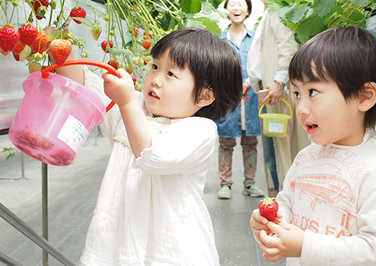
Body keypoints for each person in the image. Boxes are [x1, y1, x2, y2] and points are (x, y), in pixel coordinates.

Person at [54, 28, 243, 265]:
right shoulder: (133, 106)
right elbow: (83, 85)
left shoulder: (200, 131)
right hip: (118, 246)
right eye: (155, 66)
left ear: (204, 97)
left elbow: (151, 154)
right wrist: (57, 45)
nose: (155, 78)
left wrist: (125, 102)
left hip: (172, 253)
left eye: (171, 73)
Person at [250, 26, 376, 265]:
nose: (301, 107)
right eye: (297, 93)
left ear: (364, 96)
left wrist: (305, 245)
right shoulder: (305, 158)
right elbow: (288, 203)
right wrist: (272, 222)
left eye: (313, 91)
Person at [243, 0, 310, 197]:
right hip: (270, 92)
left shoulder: (278, 11)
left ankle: (285, 202)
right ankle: (281, 199)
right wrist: (249, 81)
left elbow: (288, 49)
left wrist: (279, 82)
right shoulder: (269, 13)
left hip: (277, 93)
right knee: (274, 149)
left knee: (281, 150)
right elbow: (263, 56)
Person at [215, 0, 264, 199]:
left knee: (250, 143)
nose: (237, 8)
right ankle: (225, 184)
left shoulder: (256, 39)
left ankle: (249, 184)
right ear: (226, 9)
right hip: (227, 100)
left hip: (250, 99)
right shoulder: (219, 40)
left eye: (241, 4)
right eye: (232, 4)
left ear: (248, 10)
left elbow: (261, 65)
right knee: (226, 143)